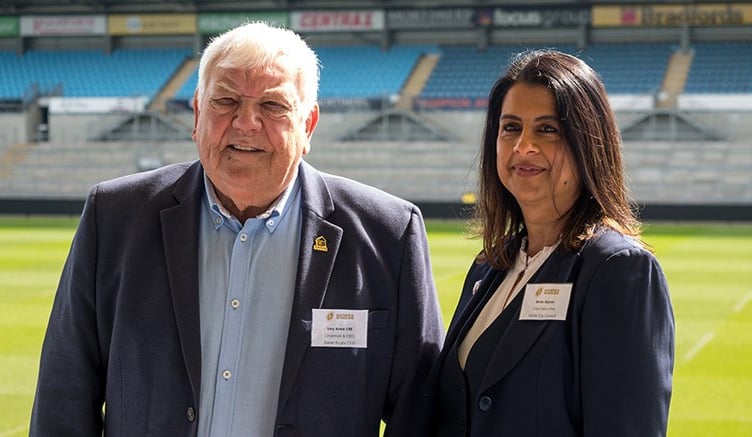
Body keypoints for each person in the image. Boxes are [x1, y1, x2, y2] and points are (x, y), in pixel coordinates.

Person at [30, 21, 444, 437]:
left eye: (273, 106)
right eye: (225, 101)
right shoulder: (114, 217)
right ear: (197, 112)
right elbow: (63, 398)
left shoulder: (388, 234)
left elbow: (421, 412)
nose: (246, 123)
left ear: (308, 125)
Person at [423, 49, 675, 436]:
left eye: (547, 129)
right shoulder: (489, 265)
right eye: (510, 128)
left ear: (588, 143)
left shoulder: (619, 269)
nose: (524, 146)